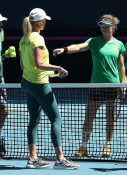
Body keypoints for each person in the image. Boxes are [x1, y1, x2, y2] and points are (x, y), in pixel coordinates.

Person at [53, 14, 126, 157]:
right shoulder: (94, 41)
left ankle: (107, 146)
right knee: (89, 117)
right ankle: (84, 147)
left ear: (113, 27)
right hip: (96, 86)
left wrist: (122, 85)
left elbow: (121, 66)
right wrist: (65, 49)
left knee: (111, 119)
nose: (104, 28)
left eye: (107, 26)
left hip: (113, 86)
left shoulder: (119, 44)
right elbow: (79, 47)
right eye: (102, 26)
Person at [19, 8, 80, 169]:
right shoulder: (37, 39)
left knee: (33, 120)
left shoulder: (24, 39)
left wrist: (52, 74)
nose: (45, 22)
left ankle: (32, 158)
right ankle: (60, 160)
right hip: (39, 86)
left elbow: (24, 66)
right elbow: (39, 64)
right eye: (44, 19)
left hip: (27, 83)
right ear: (39, 22)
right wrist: (58, 68)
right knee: (56, 119)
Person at [0, 14, 8, 157]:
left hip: (0, 79)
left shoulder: (1, 32)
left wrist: (4, 56)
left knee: (4, 109)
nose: (1, 25)